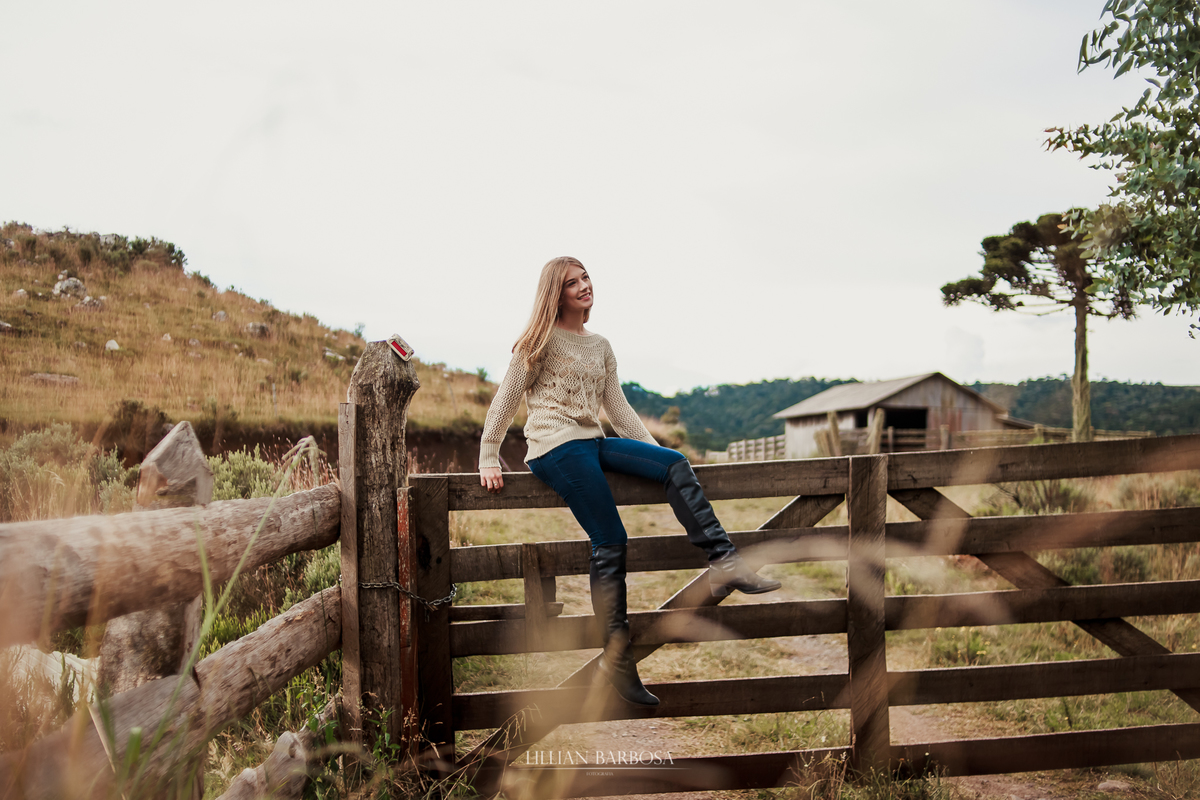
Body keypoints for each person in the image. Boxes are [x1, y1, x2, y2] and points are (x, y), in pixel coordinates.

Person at [478, 256, 780, 708]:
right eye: (572, 282)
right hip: (554, 446)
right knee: (611, 538)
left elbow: (618, 411)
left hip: (591, 441)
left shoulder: (600, 345)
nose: (584, 286)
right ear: (554, 294)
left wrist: (654, 454)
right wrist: (489, 453)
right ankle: (616, 658)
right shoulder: (536, 342)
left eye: (586, 278)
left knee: (676, 462)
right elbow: (506, 400)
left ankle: (725, 563)